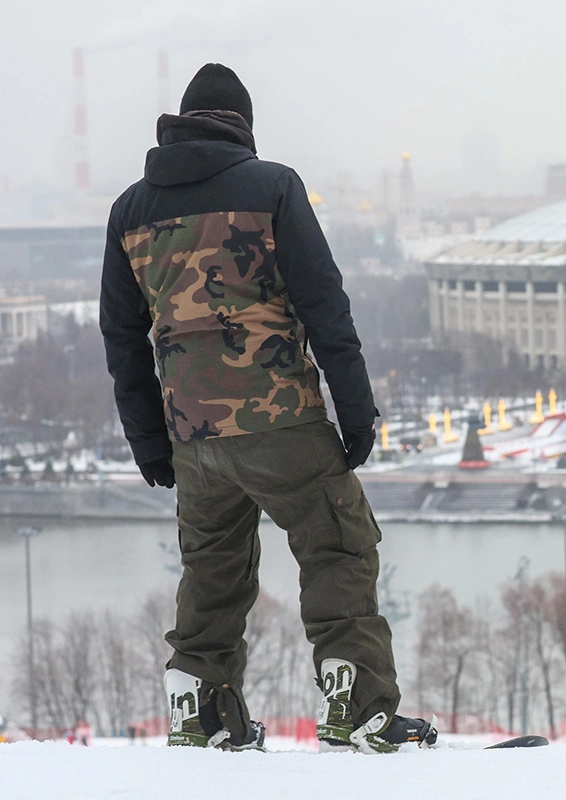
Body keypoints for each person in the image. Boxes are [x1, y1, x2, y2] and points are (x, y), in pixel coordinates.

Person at [100, 63, 435, 753]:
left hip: (193, 438)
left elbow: (122, 337)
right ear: (242, 126)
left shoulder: (131, 212)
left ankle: (200, 708)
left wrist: (148, 443)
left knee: (213, 569)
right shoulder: (272, 186)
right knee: (338, 546)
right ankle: (361, 707)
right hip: (279, 418)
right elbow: (323, 301)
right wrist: (357, 411)